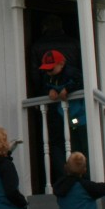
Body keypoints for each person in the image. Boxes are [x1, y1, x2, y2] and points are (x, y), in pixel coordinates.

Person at [39, 49, 89, 180]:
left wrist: (67, 89)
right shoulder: (47, 76)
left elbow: (83, 81)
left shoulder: (72, 73)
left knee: (83, 145)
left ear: (62, 64)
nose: (48, 71)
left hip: (80, 115)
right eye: (46, 69)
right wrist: (49, 90)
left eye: (51, 68)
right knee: (70, 145)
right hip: (65, 116)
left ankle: (86, 176)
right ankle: (73, 176)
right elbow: (43, 85)